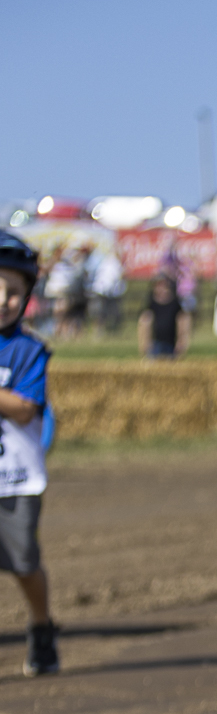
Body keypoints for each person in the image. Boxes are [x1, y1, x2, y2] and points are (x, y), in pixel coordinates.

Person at [0, 234, 58, 676]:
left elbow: (24, 409)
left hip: (15, 479)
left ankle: (41, 624)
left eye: (13, 292)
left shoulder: (29, 351)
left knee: (23, 563)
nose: (3, 300)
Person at [137, 276, 190, 359]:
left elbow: (182, 321)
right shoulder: (151, 304)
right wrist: (144, 342)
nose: (161, 289)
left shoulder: (175, 304)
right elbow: (144, 323)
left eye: (164, 286)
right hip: (155, 344)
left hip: (171, 344)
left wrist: (181, 340)